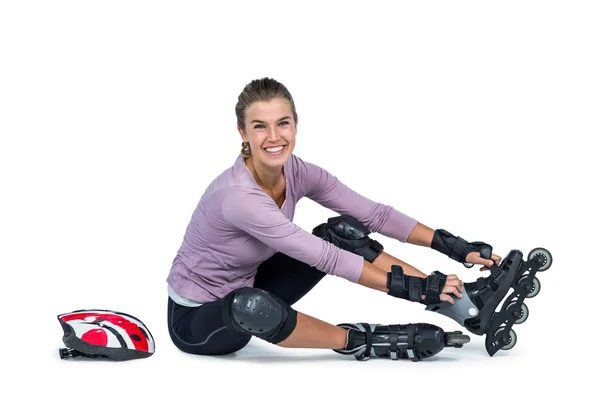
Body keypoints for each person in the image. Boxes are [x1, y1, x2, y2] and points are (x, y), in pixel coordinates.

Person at [166, 77, 502, 361]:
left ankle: (458, 303)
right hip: (200, 317)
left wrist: (457, 248)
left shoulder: (297, 172)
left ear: (295, 124)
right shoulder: (238, 196)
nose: (273, 137)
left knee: (340, 232)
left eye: (282, 123)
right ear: (243, 132)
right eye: (259, 126)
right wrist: (412, 289)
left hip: (250, 281)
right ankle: (362, 341)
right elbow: (322, 257)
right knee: (253, 307)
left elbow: (375, 214)